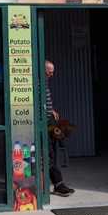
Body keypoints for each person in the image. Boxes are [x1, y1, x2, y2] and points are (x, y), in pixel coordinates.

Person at [45, 60, 74, 196]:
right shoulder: (38, 83)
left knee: (53, 152)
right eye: (50, 72)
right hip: (44, 124)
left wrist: (52, 110)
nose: (52, 74)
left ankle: (58, 184)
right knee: (49, 154)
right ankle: (58, 184)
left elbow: (44, 102)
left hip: (50, 122)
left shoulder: (44, 83)